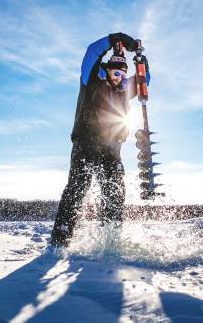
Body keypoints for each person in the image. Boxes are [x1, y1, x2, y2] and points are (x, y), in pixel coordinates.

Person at [50, 32, 150, 247]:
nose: (119, 78)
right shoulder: (91, 79)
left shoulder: (123, 89)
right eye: (116, 72)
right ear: (107, 69)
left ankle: (110, 240)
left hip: (112, 149)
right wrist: (114, 39)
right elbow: (91, 52)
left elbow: (144, 81)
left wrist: (142, 62)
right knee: (77, 189)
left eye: (123, 75)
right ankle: (60, 240)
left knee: (114, 192)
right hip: (85, 144)